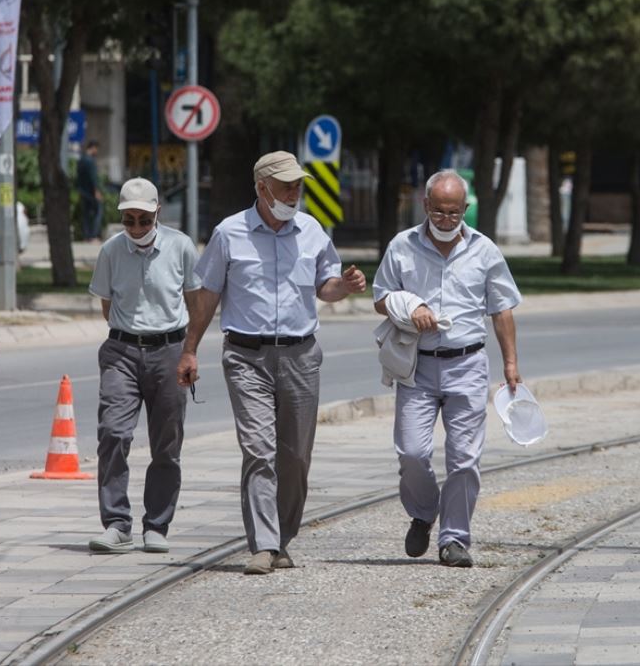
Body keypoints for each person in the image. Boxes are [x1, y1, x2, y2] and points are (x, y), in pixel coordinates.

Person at [177, 151, 367, 575]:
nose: (293, 192)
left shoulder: (313, 231)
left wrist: (347, 286)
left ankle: (282, 537)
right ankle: (263, 544)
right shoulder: (230, 234)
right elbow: (207, 297)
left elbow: (326, 287)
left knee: (295, 456)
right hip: (246, 357)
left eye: (297, 185)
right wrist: (190, 349)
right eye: (285, 186)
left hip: (301, 355)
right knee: (259, 451)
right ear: (261, 187)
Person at [372, 170, 523, 568]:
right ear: (425, 206)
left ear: (465, 210)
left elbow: (502, 308)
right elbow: (380, 298)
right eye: (438, 212)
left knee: (464, 459)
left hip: (468, 365)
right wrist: (412, 306)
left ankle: (454, 539)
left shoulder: (484, 250)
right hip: (417, 366)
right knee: (412, 451)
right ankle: (424, 512)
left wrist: (510, 363)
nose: (445, 220)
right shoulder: (402, 247)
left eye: (453, 213)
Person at [87, 178, 201, 554]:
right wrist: (130, 331)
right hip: (121, 351)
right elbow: (107, 305)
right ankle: (117, 523)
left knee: (166, 444)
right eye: (129, 220)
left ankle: (157, 524)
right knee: (113, 432)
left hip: (169, 350)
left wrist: (189, 352)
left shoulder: (182, 247)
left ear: (157, 214)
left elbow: (195, 302)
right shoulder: (110, 251)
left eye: (143, 219)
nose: (136, 227)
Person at [76, 140, 103, 242]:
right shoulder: (90, 161)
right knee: (98, 212)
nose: (97, 152)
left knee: (86, 215)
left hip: (83, 192)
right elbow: (93, 178)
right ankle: (94, 235)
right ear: (93, 148)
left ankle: (86, 236)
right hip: (91, 193)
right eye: (97, 149)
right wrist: (97, 191)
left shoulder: (81, 159)